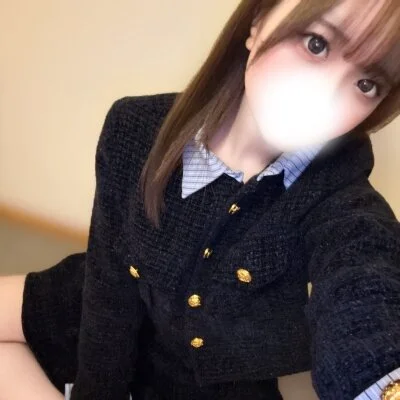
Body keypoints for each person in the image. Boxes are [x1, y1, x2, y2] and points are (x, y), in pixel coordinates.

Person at [1, 0, 400, 399]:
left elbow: (364, 292)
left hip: (200, 380)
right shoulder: (136, 125)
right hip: (99, 299)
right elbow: (110, 285)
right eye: (316, 44)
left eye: (367, 84)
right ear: (259, 20)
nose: (327, 96)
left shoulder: (340, 204)